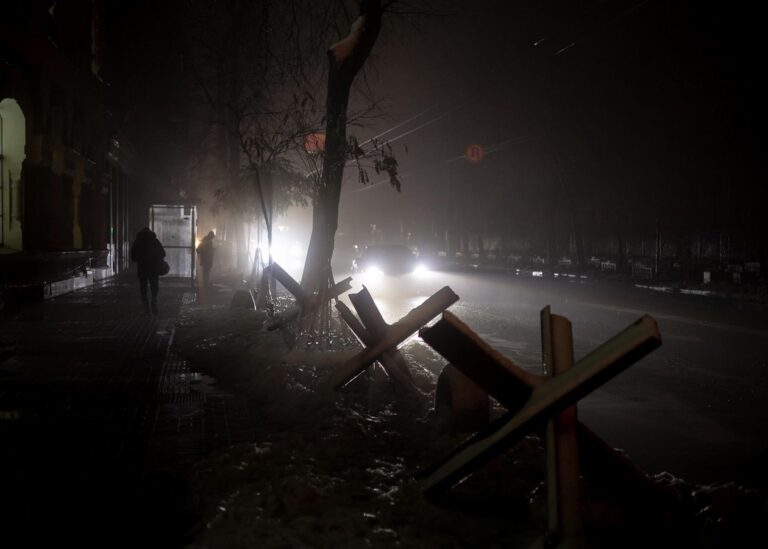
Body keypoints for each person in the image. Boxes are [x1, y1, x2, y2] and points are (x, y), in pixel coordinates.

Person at [130, 227, 166, 315]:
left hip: (142, 268)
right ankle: (154, 300)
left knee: (143, 287)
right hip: (153, 268)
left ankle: (146, 307)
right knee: (154, 285)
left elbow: (133, 256)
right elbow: (163, 253)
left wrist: (140, 258)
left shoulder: (138, 242)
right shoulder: (155, 241)